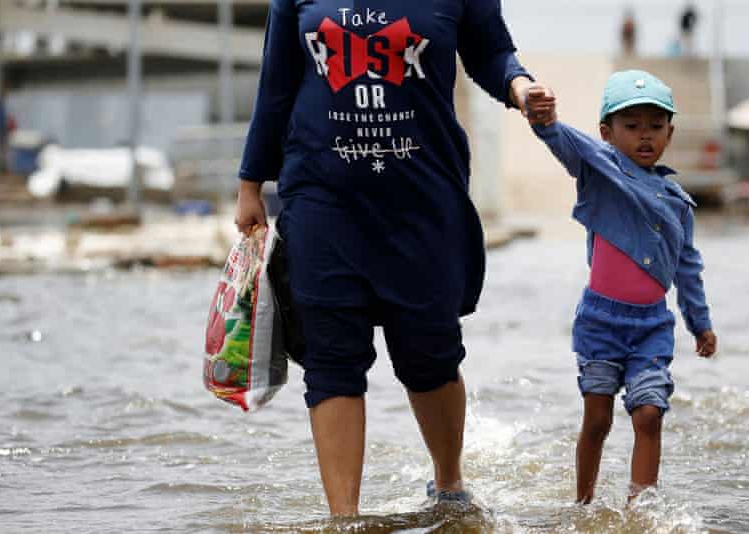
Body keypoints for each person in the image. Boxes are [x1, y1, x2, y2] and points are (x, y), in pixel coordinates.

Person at [233, 0, 539, 516]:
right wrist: (249, 184)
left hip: (423, 199)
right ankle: (344, 520)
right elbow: (277, 83)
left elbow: (491, 51)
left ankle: (449, 485)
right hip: (321, 198)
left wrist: (520, 87)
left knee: (430, 353)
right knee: (331, 360)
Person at [523, 70, 717, 503]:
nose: (644, 136)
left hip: (651, 325)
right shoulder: (600, 170)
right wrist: (546, 121)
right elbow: (565, 143)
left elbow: (688, 268)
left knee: (649, 414)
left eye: (655, 126)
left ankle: (639, 510)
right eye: (632, 127)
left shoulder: (678, 203)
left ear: (670, 132)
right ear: (608, 133)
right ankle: (583, 505)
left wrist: (699, 323)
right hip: (601, 321)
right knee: (597, 420)